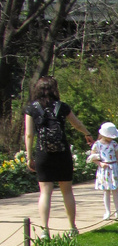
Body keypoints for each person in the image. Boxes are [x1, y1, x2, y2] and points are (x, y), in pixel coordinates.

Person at [24, 75, 92, 235]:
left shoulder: (31, 108)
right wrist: (87, 133)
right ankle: (72, 227)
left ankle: (45, 230)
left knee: (45, 192)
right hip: (62, 153)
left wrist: (29, 156)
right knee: (67, 191)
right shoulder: (62, 107)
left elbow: (29, 134)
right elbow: (76, 123)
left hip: (43, 153)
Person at [88, 122, 118, 220]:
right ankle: (107, 211)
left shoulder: (114, 144)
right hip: (104, 169)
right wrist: (100, 164)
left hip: (113, 167)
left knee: (115, 191)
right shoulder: (97, 145)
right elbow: (92, 157)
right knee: (106, 191)